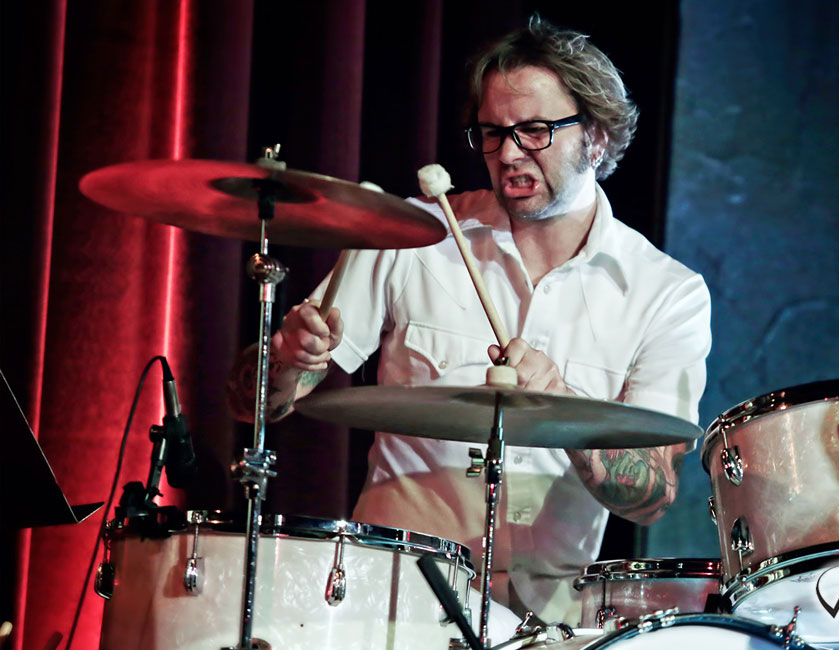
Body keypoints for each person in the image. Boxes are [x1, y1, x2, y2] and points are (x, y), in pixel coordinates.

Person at [227, 16, 711, 626]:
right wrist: (289, 361)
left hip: (548, 617)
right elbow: (253, 405)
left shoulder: (667, 293)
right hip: (389, 593)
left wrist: (560, 402)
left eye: (534, 131)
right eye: (491, 133)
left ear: (596, 136)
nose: (508, 154)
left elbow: (652, 495)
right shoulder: (415, 233)